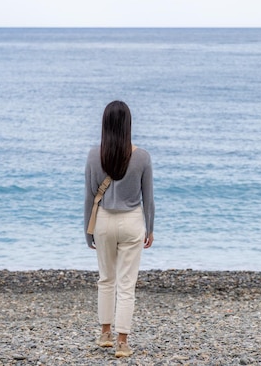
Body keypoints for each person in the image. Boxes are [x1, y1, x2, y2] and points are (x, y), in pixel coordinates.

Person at [84, 100, 155, 358]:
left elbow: (90, 196)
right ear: (128, 125)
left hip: (103, 221)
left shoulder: (94, 154)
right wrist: (150, 228)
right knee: (126, 284)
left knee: (106, 279)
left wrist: (87, 230)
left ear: (105, 124)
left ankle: (105, 334)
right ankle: (122, 342)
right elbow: (149, 198)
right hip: (132, 221)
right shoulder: (142, 156)